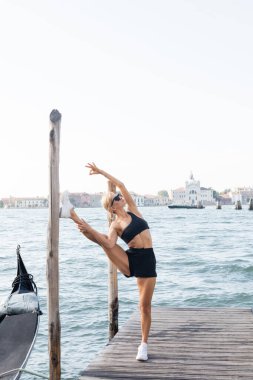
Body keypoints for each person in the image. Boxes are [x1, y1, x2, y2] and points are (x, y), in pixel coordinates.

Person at [60, 162, 157, 361]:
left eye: (120, 197)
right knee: (104, 243)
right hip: (132, 259)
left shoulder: (134, 211)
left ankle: (143, 344)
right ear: (112, 206)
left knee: (144, 306)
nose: (121, 197)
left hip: (147, 260)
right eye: (116, 198)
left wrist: (101, 172)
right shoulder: (115, 224)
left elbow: (121, 184)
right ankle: (71, 214)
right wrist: (88, 228)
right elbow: (108, 242)